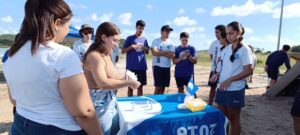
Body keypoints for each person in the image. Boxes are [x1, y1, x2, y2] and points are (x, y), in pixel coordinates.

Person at [3, 0, 102, 134]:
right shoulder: (64, 55)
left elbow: (14, 100)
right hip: (58, 128)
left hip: (20, 124)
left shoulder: (12, 54)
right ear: (57, 23)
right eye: (68, 24)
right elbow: (84, 112)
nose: (68, 30)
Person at [83, 22, 140, 135]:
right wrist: (128, 83)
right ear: (103, 37)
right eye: (114, 40)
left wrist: (124, 79)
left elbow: (111, 77)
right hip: (98, 105)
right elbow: (102, 82)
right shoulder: (95, 56)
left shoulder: (106, 54)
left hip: (110, 101)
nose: (116, 44)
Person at [215, 21, 253, 135]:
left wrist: (230, 79)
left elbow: (249, 70)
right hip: (221, 88)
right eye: (227, 34)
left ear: (239, 33)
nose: (228, 36)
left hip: (235, 90)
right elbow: (224, 66)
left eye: (231, 33)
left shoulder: (244, 49)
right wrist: (216, 75)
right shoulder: (226, 48)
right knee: (223, 118)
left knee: (233, 120)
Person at [122, 20, 149, 96]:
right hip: (131, 67)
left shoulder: (144, 40)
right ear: (136, 27)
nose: (141, 30)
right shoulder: (129, 38)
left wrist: (145, 48)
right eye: (140, 28)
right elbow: (123, 51)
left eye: (143, 28)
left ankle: (139, 103)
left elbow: (147, 52)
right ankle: (129, 102)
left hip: (141, 67)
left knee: (140, 87)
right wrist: (131, 47)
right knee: (130, 87)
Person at [151, 25, 175, 95]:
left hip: (167, 67)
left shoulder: (171, 43)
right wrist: (166, 51)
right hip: (157, 66)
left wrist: (160, 53)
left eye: (169, 31)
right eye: (166, 31)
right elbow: (154, 53)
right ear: (161, 31)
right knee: (157, 87)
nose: (168, 32)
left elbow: (173, 55)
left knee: (163, 88)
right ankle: (154, 101)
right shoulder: (156, 41)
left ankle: (160, 102)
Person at [207, 25, 226, 105]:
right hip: (214, 69)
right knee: (212, 87)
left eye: (217, 32)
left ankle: (221, 105)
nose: (216, 34)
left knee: (222, 88)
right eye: (215, 32)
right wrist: (215, 65)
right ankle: (210, 104)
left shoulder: (227, 43)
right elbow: (211, 55)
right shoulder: (214, 43)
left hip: (223, 71)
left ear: (223, 32)